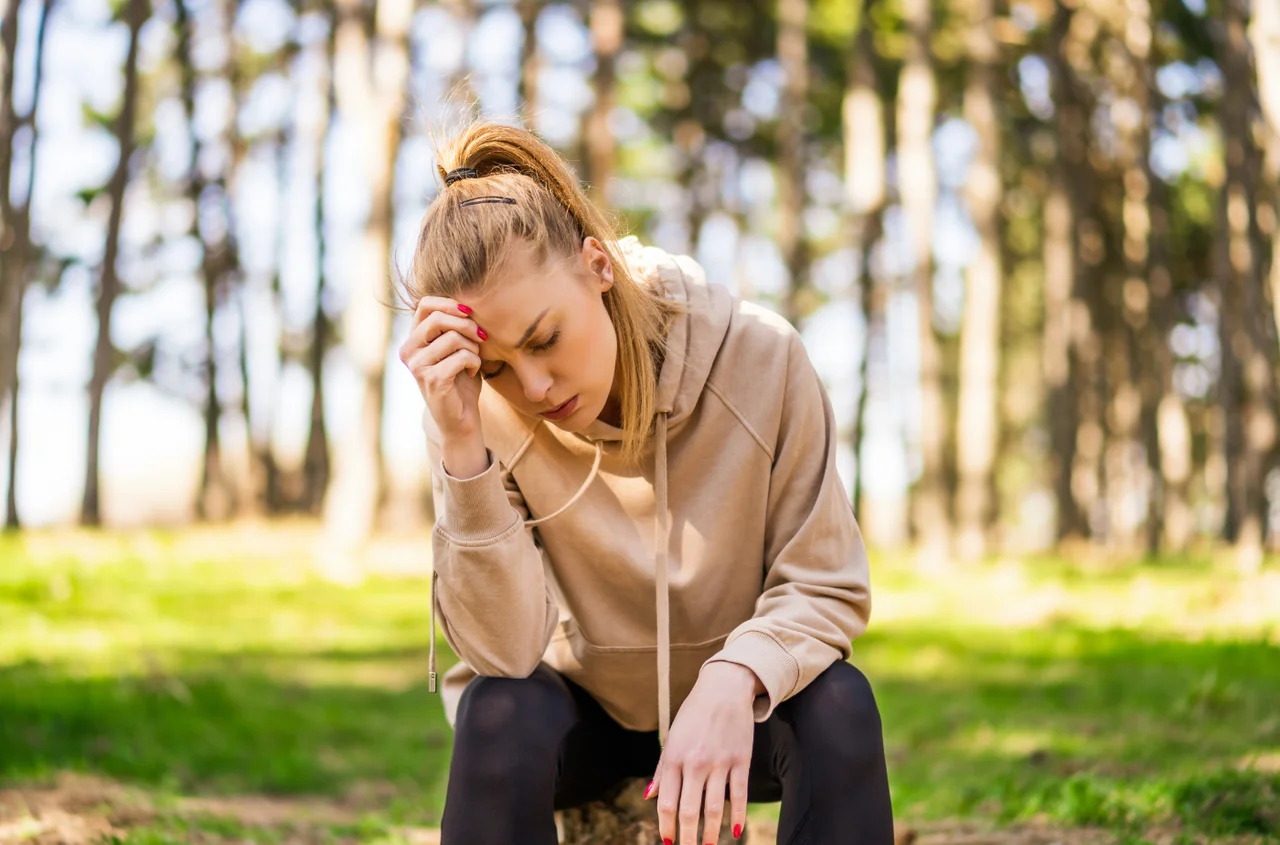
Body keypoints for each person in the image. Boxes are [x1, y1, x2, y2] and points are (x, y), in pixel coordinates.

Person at [397, 119, 894, 845]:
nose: (533, 387)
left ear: (597, 264)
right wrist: (464, 448)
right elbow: (502, 653)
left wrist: (735, 676)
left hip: (737, 713)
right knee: (497, 708)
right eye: (497, 365)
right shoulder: (473, 413)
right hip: (582, 720)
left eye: (545, 339)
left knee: (841, 705)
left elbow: (825, 583)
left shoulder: (762, 357)